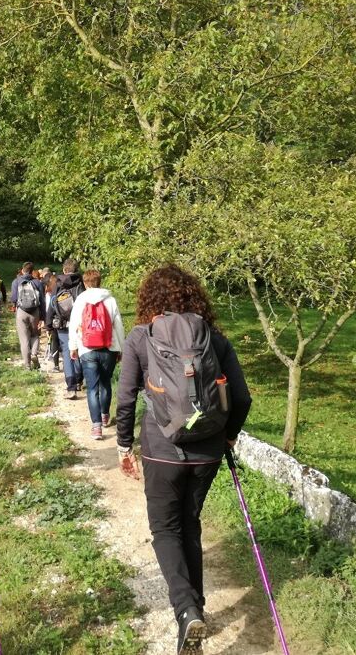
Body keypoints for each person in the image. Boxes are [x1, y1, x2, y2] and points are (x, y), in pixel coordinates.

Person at [115, 264, 252, 655]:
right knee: (189, 527)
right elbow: (241, 398)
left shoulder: (142, 337)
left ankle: (186, 610)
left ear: (148, 300)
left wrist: (124, 445)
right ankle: (196, 609)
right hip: (206, 450)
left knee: (165, 530)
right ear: (195, 297)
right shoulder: (214, 339)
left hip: (162, 451)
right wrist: (228, 436)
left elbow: (125, 399)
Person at [68, 269, 125, 440]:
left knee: (92, 388)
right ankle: (105, 414)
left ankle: (96, 427)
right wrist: (121, 348)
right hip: (109, 347)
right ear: (100, 282)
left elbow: (73, 324)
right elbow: (119, 326)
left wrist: (73, 346)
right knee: (105, 383)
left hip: (87, 349)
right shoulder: (111, 300)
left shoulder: (80, 300)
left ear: (85, 283)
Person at [46, 258, 85, 399]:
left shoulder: (58, 283)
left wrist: (48, 323)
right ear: (76, 269)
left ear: (64, 269)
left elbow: (52, 303)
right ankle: (79, 379)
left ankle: (71, 386)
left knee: (68, 353)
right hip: (79, 323)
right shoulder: (81, 282)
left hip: (62, 323)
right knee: (79, 351)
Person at [10, 262, 47, 369]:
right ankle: (34, 354)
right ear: (32, 271)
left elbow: (13, 299)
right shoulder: (37, 283)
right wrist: (42, 317)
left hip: (21, 312)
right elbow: (42, 301)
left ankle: (27, 365)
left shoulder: (16, 281)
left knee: (24, 339)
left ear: (22, 270)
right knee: (35, 335)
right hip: (35, 312)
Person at [42, 273, 61, 372]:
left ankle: (56, 365)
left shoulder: (53, 293)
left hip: (56, 321)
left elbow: (50, 310)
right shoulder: (63, 288)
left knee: (55, 342)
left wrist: (48, 326)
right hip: (69, 320)